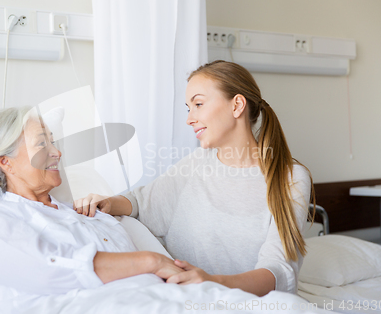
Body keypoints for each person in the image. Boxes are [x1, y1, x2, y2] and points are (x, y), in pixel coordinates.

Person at [74, 60, 316, 296]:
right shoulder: (197, 162)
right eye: (188, 108)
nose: (189, 119)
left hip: (239, 301)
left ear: (237, 105)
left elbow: (278, 271)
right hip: (180, 297)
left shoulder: (290, 178)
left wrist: (211, 282)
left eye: (198, 104)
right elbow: (143, 202)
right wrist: (107, 202)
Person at [0, 107, 184, 303]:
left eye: (53, 142)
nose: (57, 152)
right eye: (42, 143)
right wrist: (150, 261)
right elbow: (47, 270)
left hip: (169, 297)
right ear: (6, 162)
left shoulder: (87, 213)